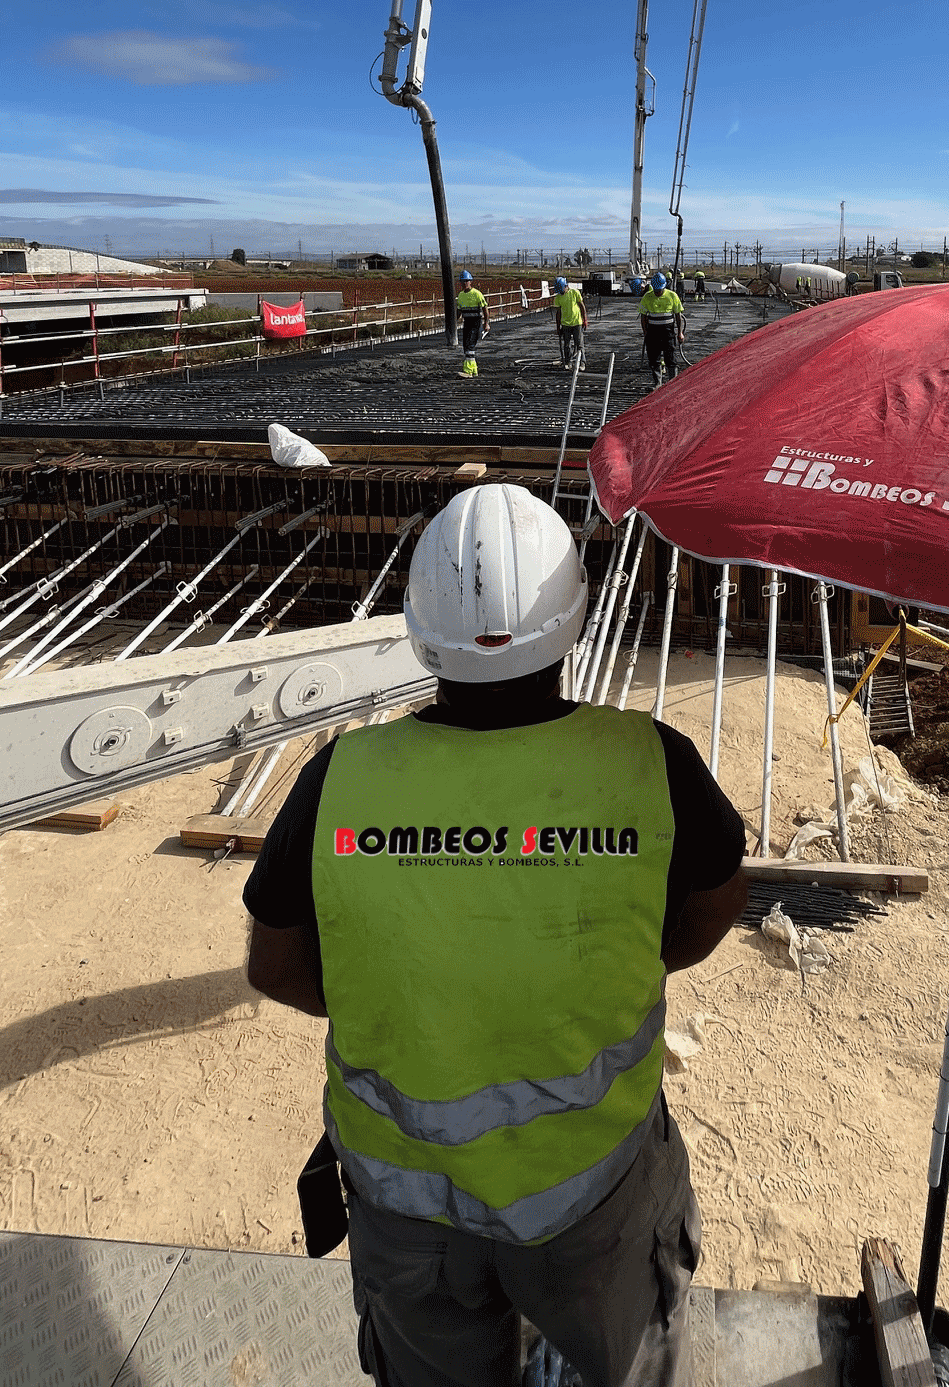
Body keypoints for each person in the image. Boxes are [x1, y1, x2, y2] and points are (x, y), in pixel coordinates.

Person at [244, 485, 747, 1387]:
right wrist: (631, 960)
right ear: (574, 619)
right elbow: (715, 902)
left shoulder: (340, 781)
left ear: (418, 625)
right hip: (594, 1199)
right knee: (618, 1364)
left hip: (402, 1203)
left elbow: (274, 965)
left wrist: (396, 987)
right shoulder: (650, 762)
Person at [637, 271, 684, 388]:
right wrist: (645, 333)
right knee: (654, 358)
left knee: (671, 358)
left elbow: (678, 316)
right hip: (653, 332)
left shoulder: (672, 296)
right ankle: (657, 383)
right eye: (656, 291)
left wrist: (680, 333)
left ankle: (672, 383)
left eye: (659, 290)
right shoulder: (647, 297)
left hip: (668, 332)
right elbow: (643, 317)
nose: (657, 293)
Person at [456, 268, 489, 377]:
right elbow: (459, 311)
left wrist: (486, 323)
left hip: (476, 323)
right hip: (467, 323)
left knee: (470, 345)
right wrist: (454, 323)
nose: (465, 283)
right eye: (463, 281)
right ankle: (474, 369)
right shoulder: (461, 296)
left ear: (470, 281)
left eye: (466, 281)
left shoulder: (477, 294)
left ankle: (468, 370)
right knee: (466, 346)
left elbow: (485, 309)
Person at [551, 275, 587, 369]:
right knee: (566, 345)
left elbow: (582, 306)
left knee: (579, 344)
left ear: (565, 286)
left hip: (577, 323)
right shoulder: (558, 298)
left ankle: (582, 363)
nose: (561, 292)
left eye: (561, 289)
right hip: (565, 324)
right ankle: (568, 362)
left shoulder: (574, 292)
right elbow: (558, 313)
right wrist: (558, 327)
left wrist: (584, 320)